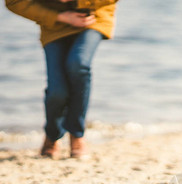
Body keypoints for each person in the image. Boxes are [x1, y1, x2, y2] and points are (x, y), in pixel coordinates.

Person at [5, 0, 119, 158]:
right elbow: (14, 2)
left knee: (78, 64)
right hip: (54, 26)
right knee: (57, 91)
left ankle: (77, 135)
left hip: (92, 19)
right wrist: (59, 16)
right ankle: (52, 135)